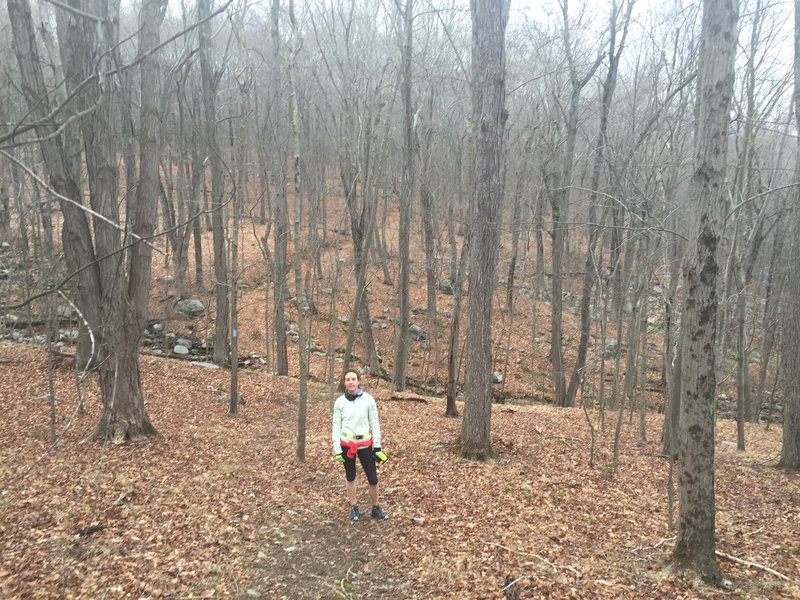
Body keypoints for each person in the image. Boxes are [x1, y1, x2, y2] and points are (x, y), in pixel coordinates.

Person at [332, 369, 389, 521]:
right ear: (344, 383)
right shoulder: (339, 402)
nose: (351, 382)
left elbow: (375, 423)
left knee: (373, 478)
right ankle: (354, 507)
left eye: (353, 379)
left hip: (365, 444)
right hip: (347, 445)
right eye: (348, 379)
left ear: (358, 381)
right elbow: (336, 425)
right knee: (350, 476)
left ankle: (375, 508)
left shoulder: (369, 400)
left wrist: (377, 446)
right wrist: (337, 448)